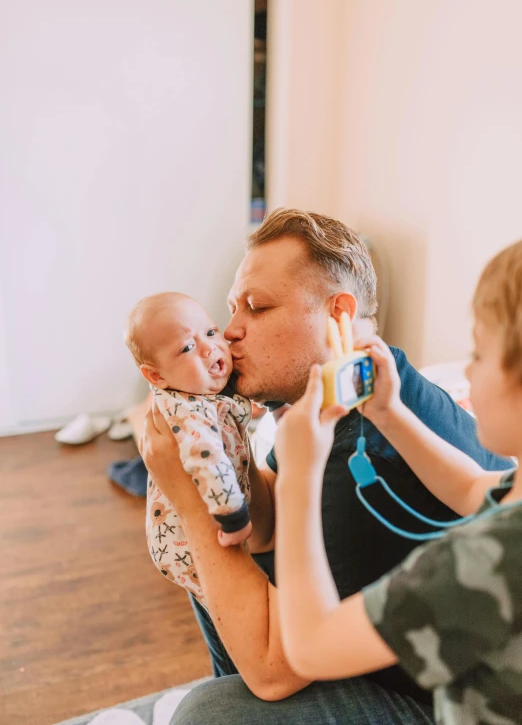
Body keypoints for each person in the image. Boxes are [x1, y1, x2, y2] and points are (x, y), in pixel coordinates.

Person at [139, 209, 511, 724]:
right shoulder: (361, 396)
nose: (229, 333)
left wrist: (188, 498)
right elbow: (266, 523)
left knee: (213, 712)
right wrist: (220, 446)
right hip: (379, 639)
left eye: (257, 307)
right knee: (219, 563)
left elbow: (277, 670)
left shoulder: (362, 451)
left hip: (441, 701)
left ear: (339, 314)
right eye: (230, 311)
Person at [274, 239, 522, 724]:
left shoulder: (490, 555)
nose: (468, 368)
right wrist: (389, 414)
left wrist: (297, 476)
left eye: (480, 352)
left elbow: (312, 645)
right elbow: (475, 487)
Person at [125, 292, 257, 603]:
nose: (210, 346)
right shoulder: (186, 414)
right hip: (187, 540)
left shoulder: (193, 385)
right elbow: (207, 461)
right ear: (156, 376)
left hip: (208, 523)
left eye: (210, 332)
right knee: (230, 599)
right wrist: (234, 518)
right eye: (187, 347)